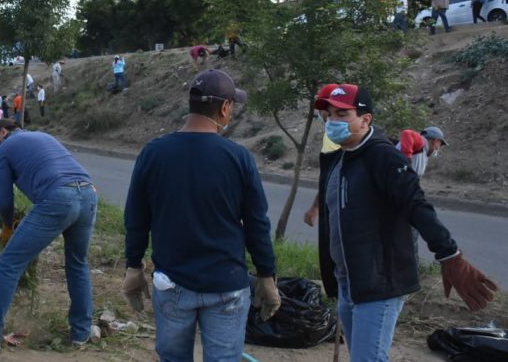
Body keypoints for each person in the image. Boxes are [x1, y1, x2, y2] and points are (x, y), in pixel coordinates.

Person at [314, 84, 497, 361]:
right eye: (329, 115)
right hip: (348, 282)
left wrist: (449, 254)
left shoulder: (383, 156)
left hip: (380, 283)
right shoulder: (339, 159)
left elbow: (416, 203)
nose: (332, 122)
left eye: (342, 114)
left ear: (365, 119)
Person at [122, 69, 280, 362]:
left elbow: (136, 216)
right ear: (225, 107)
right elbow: (257, 223)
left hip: (172, 284)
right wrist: (266, 275)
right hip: (226, 285)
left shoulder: (153, 153)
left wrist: (133, 266)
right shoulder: (238, 157)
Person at [0, 119, 99, 354]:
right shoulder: (44, 136)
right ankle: (81, 332)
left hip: (58, 198)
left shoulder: (4, 149)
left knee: (9, 263)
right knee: (78, 264)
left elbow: (5, 201)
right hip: (88, 195)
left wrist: (7, 226)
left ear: (3, 132)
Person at [303, 83, 343, 227]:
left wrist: (315, 207)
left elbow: (331, 177)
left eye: (323, 109)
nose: (320, 113)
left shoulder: (333, 136)